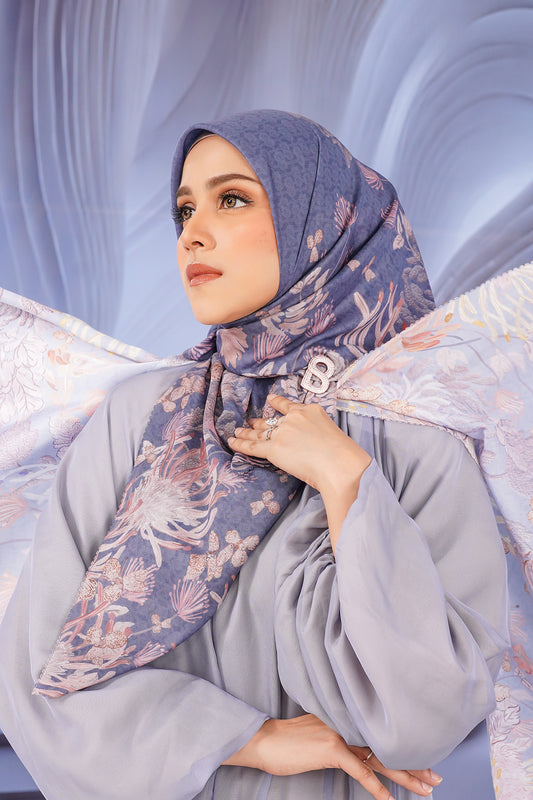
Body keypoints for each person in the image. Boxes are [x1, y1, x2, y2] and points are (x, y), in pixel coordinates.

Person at [0, 110, 508, 800]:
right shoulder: (143, 416)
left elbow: (423, 721)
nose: (191, 234)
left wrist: (346, 484)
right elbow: (36, 680)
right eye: (184, 209)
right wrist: (251, 739)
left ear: (322, 224)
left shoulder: (414, 437)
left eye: (232, 198)